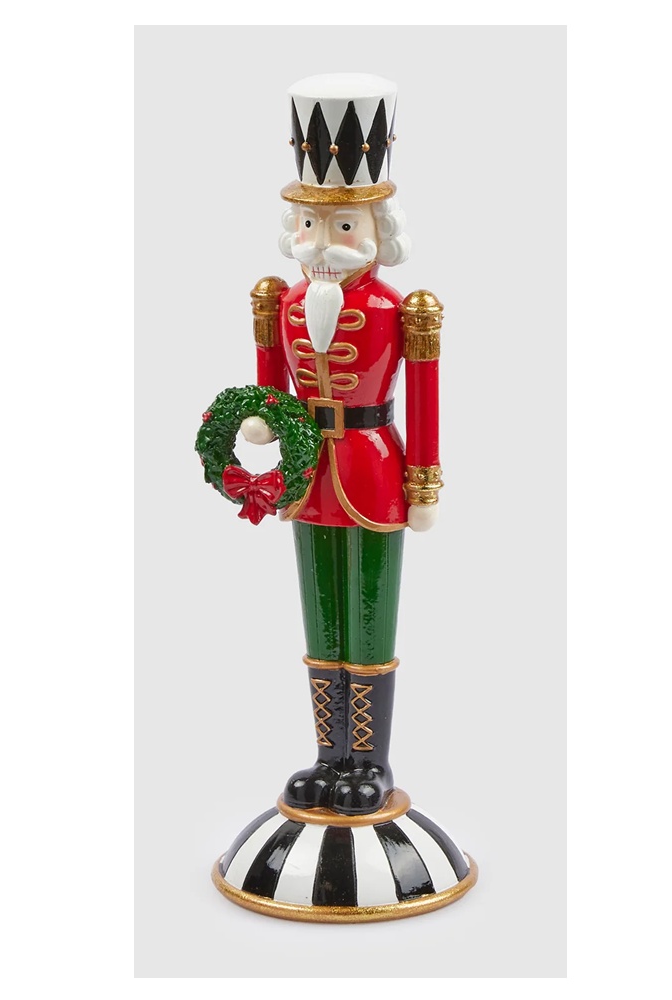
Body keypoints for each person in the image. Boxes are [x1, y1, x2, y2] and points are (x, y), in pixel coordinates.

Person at [241, 73, 443, 816]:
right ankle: (331, 757)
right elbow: (270, 385)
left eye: (344, 227)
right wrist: (263, 423)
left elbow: (424, 401)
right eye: (311, 226)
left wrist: (423, 483)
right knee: (321, 605)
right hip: (307, 471)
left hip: (373, 465)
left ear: (379, 231)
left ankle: (371, 761)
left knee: (369, 610)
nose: (323, 244)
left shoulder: (400, 308)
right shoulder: (284, 301)